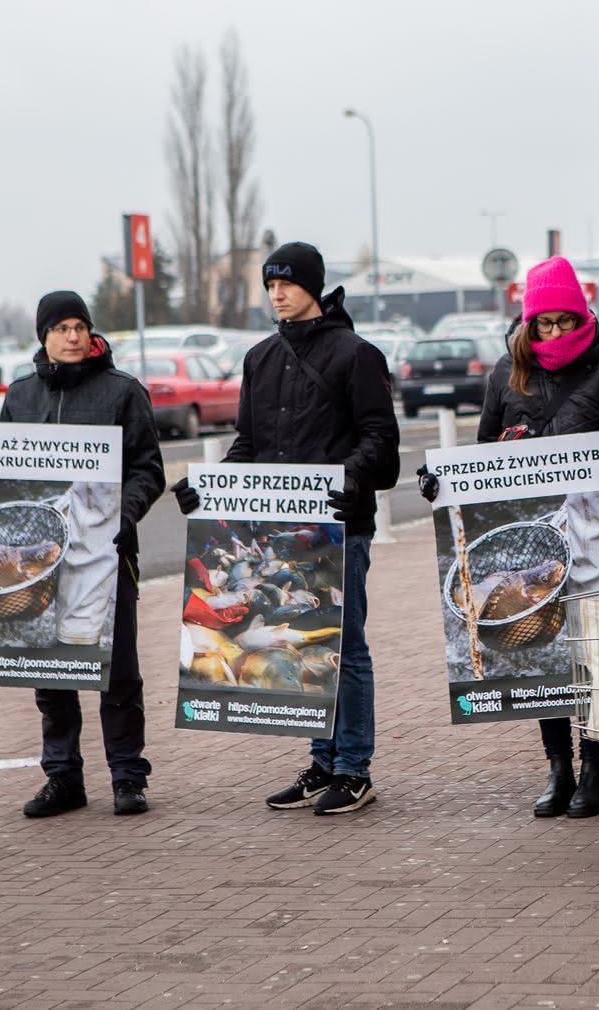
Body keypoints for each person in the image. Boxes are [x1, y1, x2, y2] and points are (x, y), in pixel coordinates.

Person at [172, 242, 400, 816]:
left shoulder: (356, 355)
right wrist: (209, 487)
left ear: (314, 288)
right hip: (275, 533)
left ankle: (354, 769)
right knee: (302, 647)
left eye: (289, 283)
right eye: (270, 284)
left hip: (339, 529)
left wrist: (343, 480)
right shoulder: (259, 358)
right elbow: (247, 446)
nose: (277, 293)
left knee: (345, 647)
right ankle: (322, 763)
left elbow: (381, 444)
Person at [419, 255, 599, 819]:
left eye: (564, 322)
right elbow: (483, 455)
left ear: (581, 317)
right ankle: (558, 767)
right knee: (545, 649)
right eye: (542, 323)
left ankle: (594, 767)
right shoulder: (506, 373)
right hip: (531, 532)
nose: (553, 333)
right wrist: (440, 483)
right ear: (528, 323)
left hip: (596, 531)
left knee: (592, 650)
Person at [0, 290, 165, 819]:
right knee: (49, 666)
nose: (72, 336)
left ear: (91, 334)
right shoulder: (21, 396)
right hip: (36, 557)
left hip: (107, 556)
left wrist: (121, 516)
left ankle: (128, 777)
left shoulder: (122, 392)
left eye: (80, 326)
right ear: (43, 336)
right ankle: (62, 777)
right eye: (61, 327)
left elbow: (148, 470)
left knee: (117, 671)